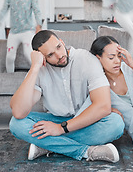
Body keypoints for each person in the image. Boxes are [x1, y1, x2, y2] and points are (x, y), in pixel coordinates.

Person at [9, 30, 125, 163]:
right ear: (43, 58)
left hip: (86, 120)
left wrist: (60, 129)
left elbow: (103, 106)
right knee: (16, 123)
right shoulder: (40, 69)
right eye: (51, 54)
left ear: (62, 42)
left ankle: (49, 146)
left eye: (58, 47)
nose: (59, 55)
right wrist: (34, 67)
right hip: (55, 119)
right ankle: (87, 152)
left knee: (115, 123)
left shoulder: (86, 59)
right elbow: (18, 111)